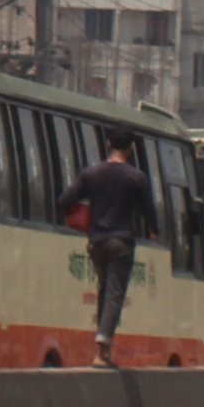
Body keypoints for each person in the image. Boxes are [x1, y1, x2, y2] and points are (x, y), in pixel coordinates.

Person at [68, 127, 157, 365]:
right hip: (121, 241)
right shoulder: (136, 177)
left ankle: (104, 353)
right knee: (115, 294)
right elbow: (149, 210)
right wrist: (154, 229)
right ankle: (103, 343)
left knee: (104, 289)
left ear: (108, 144)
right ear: (130, 150)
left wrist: (79, 214)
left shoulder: (92, 174)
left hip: (97, 241)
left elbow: (65, 200)